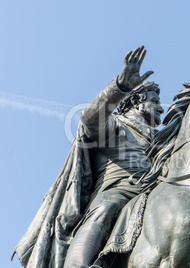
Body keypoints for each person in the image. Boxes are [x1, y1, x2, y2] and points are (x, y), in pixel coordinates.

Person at [12, 46, 164, 268]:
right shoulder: (116, 125)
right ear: (136, 102)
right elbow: (89, 118)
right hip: (119, 189)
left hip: (155, 191)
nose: (161, 109)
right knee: (106, 207)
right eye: (154, 102)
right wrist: (120, 87)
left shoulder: (162, 139)